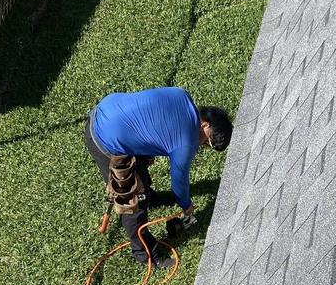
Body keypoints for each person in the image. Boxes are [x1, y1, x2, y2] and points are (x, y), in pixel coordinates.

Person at [85, 87, 232, 268]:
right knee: (131, 200)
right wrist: (186, 205)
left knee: (140, 173)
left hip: (109, 108)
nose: (202, 145)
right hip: (104, 138)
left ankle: (151, 198)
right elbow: (179, 181)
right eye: (207, 141)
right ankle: (145, 254)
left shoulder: (182, 95)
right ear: (204, 125)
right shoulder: (186, 142)